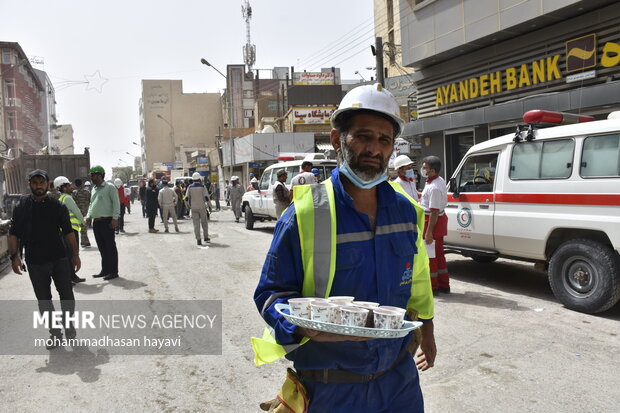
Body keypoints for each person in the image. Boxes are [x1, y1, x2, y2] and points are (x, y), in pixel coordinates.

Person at [253, 83, 435, 412]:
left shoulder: (406, 211)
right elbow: (271, 294)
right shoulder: (305, 215)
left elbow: (418, 279)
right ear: (338, 140)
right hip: (332, 388)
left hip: (399, 382)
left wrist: (429, 330)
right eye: (363, 136)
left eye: (384, 140)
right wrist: (299, 326)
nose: (375, 149)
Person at [9, 169, 81, 349]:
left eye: (41, 183)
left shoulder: (57, 206)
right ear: (29, 184)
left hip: (59, 258)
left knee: (66, 295)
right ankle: (55, 333)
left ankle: (69, 325)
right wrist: (14, 257)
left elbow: (68, 232)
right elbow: (14, 233)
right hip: (35, 261)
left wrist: (75, 254)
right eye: (34, 183)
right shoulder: (21, 206)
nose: (38, 186)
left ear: (47, 184)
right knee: (44, 300)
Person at [420, 155, 450, 295]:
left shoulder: (435, 187)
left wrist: (429, 232)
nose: (423, 169)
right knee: (438, 254)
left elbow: (434, 211)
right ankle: (444, 285)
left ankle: (434, 287)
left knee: (431, 256)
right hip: (436, 221)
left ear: (432, 170)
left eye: (425, 168)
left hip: (432, 222)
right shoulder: (435, 181)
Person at [85, 165, 120, 281]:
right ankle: (105, 270)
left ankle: (113, 271)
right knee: (102, 247)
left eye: (93, 175)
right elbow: (91, 204)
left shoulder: (110, 187)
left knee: (110, 247)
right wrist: (89, 216)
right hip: (97, 223)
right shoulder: (94, 188)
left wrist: (115, 218)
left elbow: (116, 203)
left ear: (99, 175)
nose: (91, 177)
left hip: (107, 221)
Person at [55, 176, 86, 284]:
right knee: (72, 253)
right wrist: (83, 221)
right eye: (68, 185)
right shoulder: (68, 198)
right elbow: (76, 211)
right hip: (71, 230)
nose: (71, 187)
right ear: (63, 188)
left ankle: (72, 276)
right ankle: (70, 277)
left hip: (64, 230)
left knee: (68, 254)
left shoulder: (61, 198)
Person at [186, 172, 210, 245]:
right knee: (204, 223)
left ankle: (198, 239)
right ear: (199, 178)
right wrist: (210, 206)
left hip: (194, 208)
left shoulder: (189, 187)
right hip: (202, 207)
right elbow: (206, 197)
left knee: (196, 224)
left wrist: (188, 206)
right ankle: (205, 237)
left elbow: (186, 198)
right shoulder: (203, 186)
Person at [73, 178, 92, 247]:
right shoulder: (87, 192)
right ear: (82, 184)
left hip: (77, 212)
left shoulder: (74, 193)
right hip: (86, 212)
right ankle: (84, 241)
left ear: (75, 184)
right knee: (84, 227)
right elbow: (91, 201)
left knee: (82, 227)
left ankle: (84, 241)